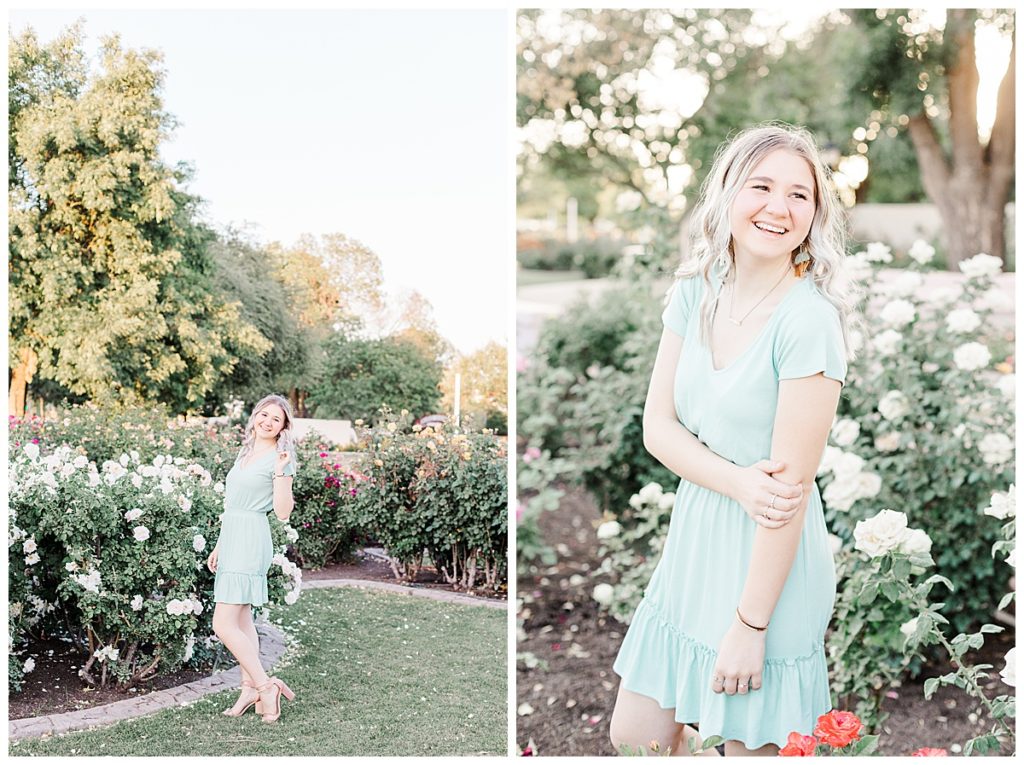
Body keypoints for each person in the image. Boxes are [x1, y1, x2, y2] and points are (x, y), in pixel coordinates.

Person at [608, 123, 860, 756]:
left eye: (800, 195)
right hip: (695, 543)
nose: (779, 207)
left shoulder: (809, 323)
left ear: (815, 215)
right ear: (727, 194)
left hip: (769, 566)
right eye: (762, 186)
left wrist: (750, 625)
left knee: (749, 749)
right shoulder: (693, 292)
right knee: (637, 738)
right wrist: (738, 480)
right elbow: (657, 429)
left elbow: (786, 496)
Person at [207, 394, 299, 723]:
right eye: (263, 414)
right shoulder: (246, 452)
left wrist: (279, 472)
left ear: (283, 427)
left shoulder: (280, 458)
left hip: (251, 539)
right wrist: (220, 544)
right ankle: (249, 688)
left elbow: (284, 512)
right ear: (254, 416)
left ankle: (265, 685)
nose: (267, 421)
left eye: (275, 419)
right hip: (232, 536)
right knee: (242, 621)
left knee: (223, 623)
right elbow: (232, 504)